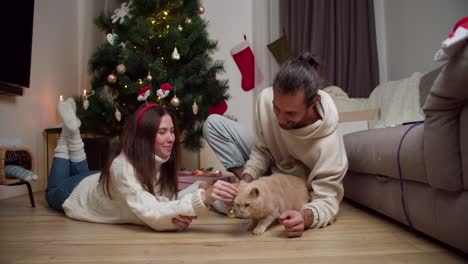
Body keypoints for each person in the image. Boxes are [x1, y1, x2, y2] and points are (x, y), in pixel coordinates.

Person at [203, 53, 349, 237]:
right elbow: (262, 150)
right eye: (276, 108)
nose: (279, 119)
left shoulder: (330, 144)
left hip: (293, 191)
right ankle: (247, 189)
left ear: (313, 103)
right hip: (269, 175)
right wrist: (246, 183)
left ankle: (253, 199)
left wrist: (304, 217)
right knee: (213, 124)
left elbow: (328, 200)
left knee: (224, 205)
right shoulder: (265, 99)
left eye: (290, 113)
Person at [45, 99, 228, 231]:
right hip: (75, 192)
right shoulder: (123, 168)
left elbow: (159, 201)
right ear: (144, 137)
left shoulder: (158, 159)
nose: (171, 139)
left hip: (96, 179)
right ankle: (67, 133)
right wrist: (201, 198)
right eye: (162, 132)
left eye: (172, 131)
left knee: (82, 171)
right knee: (51, 191)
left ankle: (72, 131)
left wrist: (198, 188)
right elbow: (151, 212)